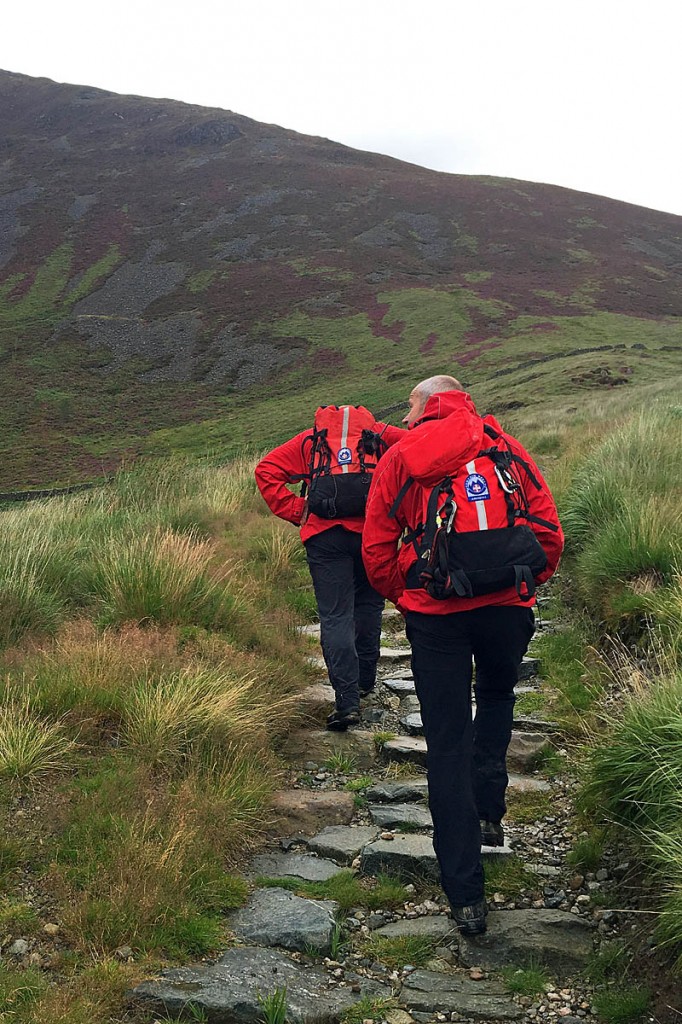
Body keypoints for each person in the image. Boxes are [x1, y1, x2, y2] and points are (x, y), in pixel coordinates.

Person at [362, 375, 564, 935]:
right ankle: (491, 812)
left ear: (427, 404)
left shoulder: (401, 458)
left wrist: (408, 595)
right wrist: (526, 586)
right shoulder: (504, 445)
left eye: (408, 405)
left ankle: (466, 897)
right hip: (506, 608)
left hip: (435, 618)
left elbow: (376, 551)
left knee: (446, 745)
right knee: (498, 695)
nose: (404, 418)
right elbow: (550, 532)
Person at [255, 407, 404, 731]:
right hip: (373, 534)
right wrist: (399, 513)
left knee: (335, 616)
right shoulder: (380, 435)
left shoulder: (311, 441)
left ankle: (346, 701)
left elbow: (266, 471)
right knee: (369, 606)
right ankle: (366, 681)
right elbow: (421, 453)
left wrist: (299, 511)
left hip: (324, 539)